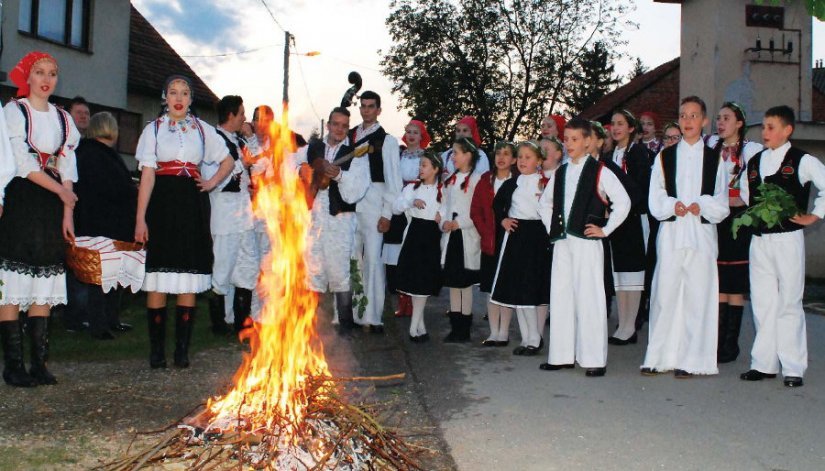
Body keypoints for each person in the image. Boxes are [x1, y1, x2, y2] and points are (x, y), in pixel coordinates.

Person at [134, 75, 234, 369]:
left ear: (191, 98)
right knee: (157, 280)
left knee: (189, 278)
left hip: (192, 204)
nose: (179, 98)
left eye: (185, 93)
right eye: (173, 92)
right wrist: (140, 218)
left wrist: (212, 181)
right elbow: (147, 176)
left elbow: (228, 160)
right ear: (165, 96)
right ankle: (156, 352)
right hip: (162, 205)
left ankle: (181, 351)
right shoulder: (152, 130)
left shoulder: (203, 130)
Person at [0, 52, 80, 387]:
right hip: (23, 198)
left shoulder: (64, 119)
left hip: (50, 206)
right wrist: (61, 194)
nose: (46, 79)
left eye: (52, 73)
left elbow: (68, 170)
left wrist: (67, 213)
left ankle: (39, 364)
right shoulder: (15, 111)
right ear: (27, 77)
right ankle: (13, 366)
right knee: (13, 283)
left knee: (43, 285)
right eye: (39, 72)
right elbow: (20, 162)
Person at [641, 96, 729, 378]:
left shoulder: (716, 159)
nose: (688, 121)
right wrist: (671, 206)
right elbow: (655, 196)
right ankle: (660, 356)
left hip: (701, 234)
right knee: (665, 293)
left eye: (693, 116)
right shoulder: (665, 157)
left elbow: (722, 202)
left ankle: (694, 360)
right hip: (673, 232)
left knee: (698, 295)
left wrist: (701, 204)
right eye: (683, 116)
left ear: (704, 121)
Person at [740, 105, 825, 388]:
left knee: (789, 301)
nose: (765, 132)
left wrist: (814, 215)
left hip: (788, 239)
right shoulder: (754, 162)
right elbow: (744, 192)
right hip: (760, 241)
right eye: (763, 127)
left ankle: (793, 367)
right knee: (763, 303)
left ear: (787, 130)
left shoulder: (802, 160)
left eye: (771, 127)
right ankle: (763, 364)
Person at [538, 118, 630, 377]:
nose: (569, 144)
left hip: (587, 243)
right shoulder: (562, 172)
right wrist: (553, 228)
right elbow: (544, 204)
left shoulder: (600, 170)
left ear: (588, 141)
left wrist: (605, 229)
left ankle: (594, 358)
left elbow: (623, 202)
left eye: (575, 139)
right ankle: (561, 355)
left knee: (590, 298)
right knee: (561, 296)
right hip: (563, 244)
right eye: (566, 139)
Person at [294, 107, 370, 332]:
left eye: (344, 126)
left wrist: (339, 175)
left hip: (340, 218)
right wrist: (302, 174)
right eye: (335, 124)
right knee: (312, 268)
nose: (339, 129)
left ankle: (345, 326)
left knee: (339, 271)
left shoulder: (356, 154)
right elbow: (288, 162)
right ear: (328, 125)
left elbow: (358, 188)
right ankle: (307, 327)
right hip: (314, 214)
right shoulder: (313, 148)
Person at [72, 112, 138, 340]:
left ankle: (109, 320)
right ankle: (100, 325)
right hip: (103, 225)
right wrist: (133, 191)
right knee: (101, 279)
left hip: (99, 224)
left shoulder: (92, 154)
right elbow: (113, 187)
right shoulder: (97, 155)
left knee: (108, 277)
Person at [707, 102, 762, 363]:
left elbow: (757, 182)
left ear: (739, 123)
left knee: (735, 281)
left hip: (739, 219)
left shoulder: (751, 150)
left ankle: (731, 343)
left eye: (726, 118)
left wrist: (742, 200)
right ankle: (717, 342)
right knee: (719, 279)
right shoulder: (711, 148)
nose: (720, 123)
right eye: (718, 118)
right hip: (717, 218)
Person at [203, 96, 260, 336]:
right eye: (241, 114)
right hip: (225, 216)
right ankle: (218, 324)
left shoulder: (237, 140)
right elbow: (213, 180)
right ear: (230, 116)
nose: (245, 118)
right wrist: (239, 165)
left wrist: (251, 142)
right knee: (223, 271)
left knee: (248, 267)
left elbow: (254, 166)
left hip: (244, 215)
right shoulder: (213, 141)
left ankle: (242, 322)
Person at [490, 141, 550, 356]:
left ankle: (535, 337)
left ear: (539, 161)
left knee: (529, 288)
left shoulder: (545, 183)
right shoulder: (512, 183)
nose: (523, 161)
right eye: (521, 157)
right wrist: (504, 220)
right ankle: (527, 338)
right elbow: (497, 204)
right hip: (516, 237)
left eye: (529, 157)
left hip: (536, 238)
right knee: (519, 290)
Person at [350, 91, 402, 333]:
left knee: (373, 261)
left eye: (371, 106)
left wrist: (387, 214)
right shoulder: (351, 135)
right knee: (353, 260)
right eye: (363, 106)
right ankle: (354, 314)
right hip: (351, 206)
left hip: (375, 204)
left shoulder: (387, 140)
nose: (366, 110)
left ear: (379, 110)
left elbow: (394, 180)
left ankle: (373, 317)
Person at [607, 110, 651, 344]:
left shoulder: (638, 153)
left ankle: (630, 325)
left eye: (621, 124)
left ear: (632, 128)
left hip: (633, 219)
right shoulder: (610, 154)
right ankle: (622, 323)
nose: (616, 128)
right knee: (620, 275)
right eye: (613, 124)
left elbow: (639, 189)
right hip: (615, 221)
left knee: (632, 274)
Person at [394, 151, 444, 342]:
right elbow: (395, 207)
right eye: (420, 165)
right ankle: (419, 327)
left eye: (424, 165)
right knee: (415, 282)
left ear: (435, 169)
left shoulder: (442, 190)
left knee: (423, 283)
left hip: (431, 237)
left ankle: (415, 326)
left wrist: (442, 218)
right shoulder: (412, 188)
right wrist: (410, 202)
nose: (420, 169)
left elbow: (446, 212)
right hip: (415, 234)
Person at [471, 141, 516, 347]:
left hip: (510, 239)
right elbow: (476, 211)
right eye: (498, 153)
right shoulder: (485, 180)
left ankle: (504, 332)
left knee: (505, 285)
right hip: (490, 239)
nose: (501, 157)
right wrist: (485, 230)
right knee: (490, 286)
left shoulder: (518, 181)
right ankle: (493, 331)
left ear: (513, 159)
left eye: (506, 154)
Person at [441, 137, 483, 342]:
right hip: (451, 236)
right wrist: (444, 222)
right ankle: (454, 326)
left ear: (468, 155)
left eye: (456, 153)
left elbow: (477, 210)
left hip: (465, 236)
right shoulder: (450, 180)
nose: (453, 157)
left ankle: (464, 328)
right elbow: (445, 206)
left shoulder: (476, 180)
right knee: (453, 284)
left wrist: (460, 223)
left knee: (464, 285)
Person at [389, 120, 431, 318]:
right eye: (408, 132)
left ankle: (415, 302)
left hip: (418, 203)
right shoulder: (399, 155)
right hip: (401, 201)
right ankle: (402, 300)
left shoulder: (427, 157)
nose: (412, 135)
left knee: (414, 255)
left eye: (415, 132)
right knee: (399, 254)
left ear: (422, 136)